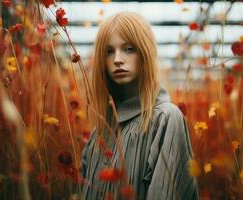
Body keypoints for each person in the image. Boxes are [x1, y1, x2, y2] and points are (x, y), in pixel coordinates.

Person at [81, 12, 198, 200]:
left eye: (128, 49)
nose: (117, 59)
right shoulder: (99, 133)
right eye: (109, 51)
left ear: (145, 52)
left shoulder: (166, 119)